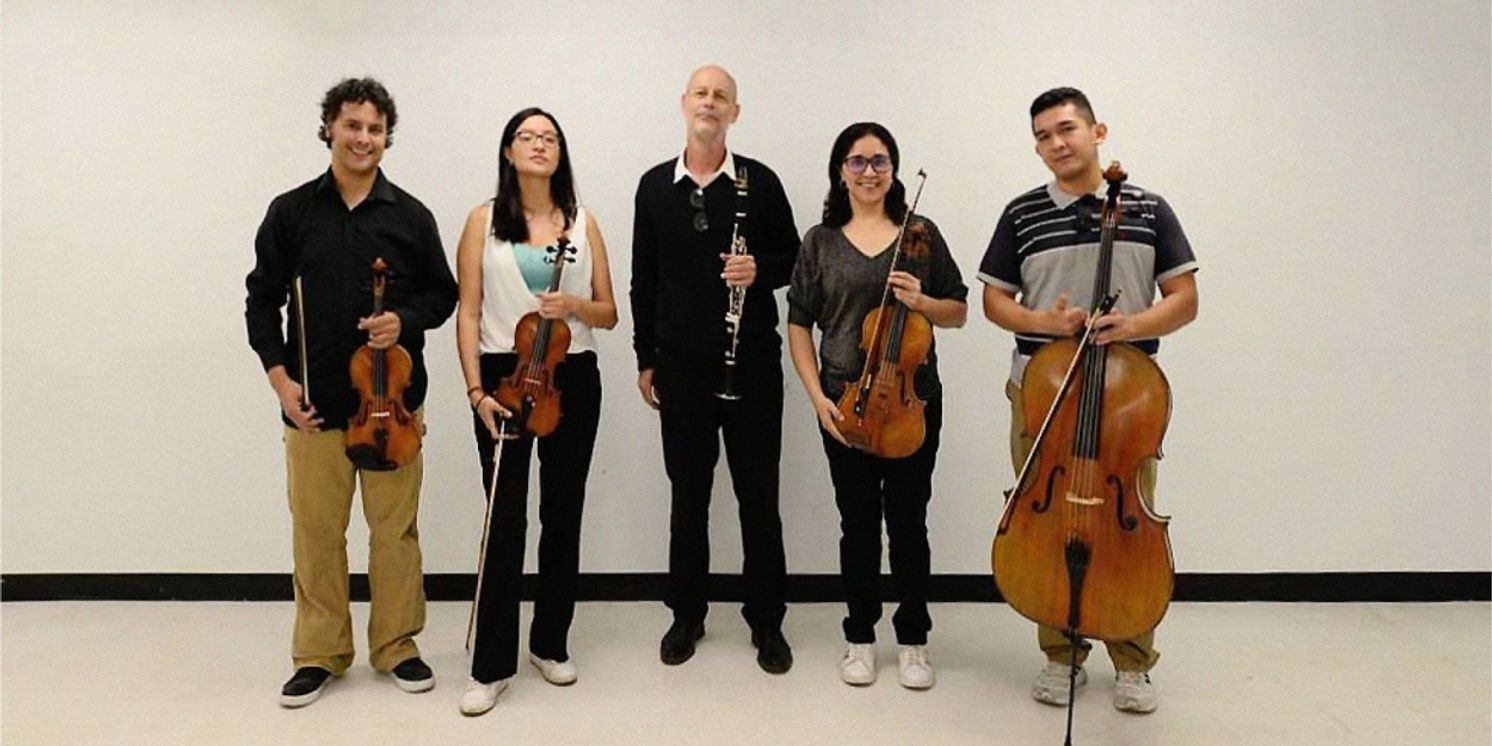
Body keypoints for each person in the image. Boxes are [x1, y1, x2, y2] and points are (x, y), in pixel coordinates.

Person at [979, 87, 1199, 714]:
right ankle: (1060, 652)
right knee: (1045, 522)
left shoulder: (1150, 208)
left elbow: (1184, 299)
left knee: (1127, 524)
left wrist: (1130, 326)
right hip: (1041, 390)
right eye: (1043, 136)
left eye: (1067, 129)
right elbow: (996, 302)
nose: (1056, 143)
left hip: (1128, 402)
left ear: (1098, 131)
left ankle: (1133, 659)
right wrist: (1045, 323)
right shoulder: (1022, 213)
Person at [245, 77, 457, 708]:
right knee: (316, 531)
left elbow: (441, 295)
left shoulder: (411, 216)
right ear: (330, 129)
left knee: (395, 532)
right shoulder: (291, 211)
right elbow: (262, 299)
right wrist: (281, 382)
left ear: (386, 137)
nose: (364, 138)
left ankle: (397, 645)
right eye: (353, 126)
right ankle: (320, 653)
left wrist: (405, 322)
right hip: (312, 405)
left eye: (375, 129)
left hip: (394, 407)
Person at [630, 65, 801, 674]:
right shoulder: (654, 187)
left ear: (735, 111)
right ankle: (687, 614)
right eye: (701, 94)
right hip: (680, 367)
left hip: (751, 364)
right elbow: (642, 279)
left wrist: (760, 269)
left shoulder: (762, 182)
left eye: (721, 96)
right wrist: (645, 356)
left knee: (760, 497)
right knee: (689, 496)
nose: (710, 103)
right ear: (684, 104)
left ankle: (767, 622)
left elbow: (794, 259)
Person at [787, 123, 967, 690]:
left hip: (914, 402)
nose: (869, 172)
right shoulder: (820, 241)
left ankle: (913, 640)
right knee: (857, 525)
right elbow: (797, 323)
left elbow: (958, 312)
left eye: (880, 161)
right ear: (840, 170)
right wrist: (818, 398)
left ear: (894, 169)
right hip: (845, 404)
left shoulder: (921, 233)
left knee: (910, 524)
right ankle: (859, 637)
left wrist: (923, 301)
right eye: (857, 161)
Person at [453, 107, 617, 716]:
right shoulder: (482, 221)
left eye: (549, 137)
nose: (539, 145)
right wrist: (476, 392)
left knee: (563, 512)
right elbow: (467, 312)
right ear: (507, 151)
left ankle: (550, 642)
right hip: (503, 374)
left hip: (572, 374)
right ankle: (491, 665)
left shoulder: (583, 220)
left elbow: (609, 313)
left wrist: (572, 302)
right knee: (504, 521)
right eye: (527, 136)